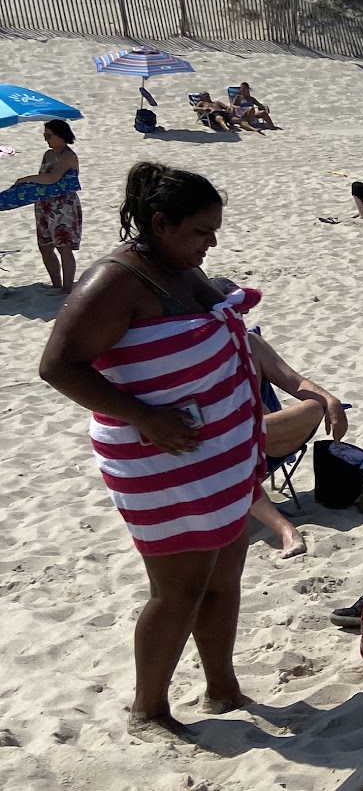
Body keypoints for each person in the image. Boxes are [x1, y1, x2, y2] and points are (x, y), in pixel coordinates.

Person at [38, 163, 264, 736]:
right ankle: (150, 707)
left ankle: (221, 687)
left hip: (222, 456)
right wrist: (144, 416)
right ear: (160, 223)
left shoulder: (182, 267)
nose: (211, 243)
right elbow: (57, 366)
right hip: (164, 462)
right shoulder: (116, 281)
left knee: (222, 579)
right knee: (178, 590)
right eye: (201, 231)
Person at [242, 323, 349, 561]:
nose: (236, 316)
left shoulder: (249, 342)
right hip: (219, 452)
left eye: (240, 311)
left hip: (262, 436)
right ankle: (286, 530)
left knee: (313, 406)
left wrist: (331, 400)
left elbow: (296, 382)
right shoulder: (192, 353)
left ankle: (240, 437)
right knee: (229, 456)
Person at [3, 117, 82, 291]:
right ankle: (56, 285)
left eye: (49, 136)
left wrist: (25, 179)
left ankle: (66, 289)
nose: (46, 139)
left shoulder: (68, 156)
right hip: (44, 205)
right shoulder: (48, 154)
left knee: (64, 247)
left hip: (63, 207)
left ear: (61, 135)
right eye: (44, 136)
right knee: (45, 247)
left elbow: (53, 178)